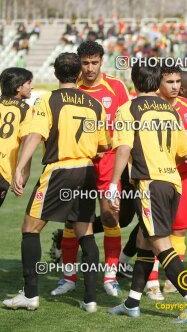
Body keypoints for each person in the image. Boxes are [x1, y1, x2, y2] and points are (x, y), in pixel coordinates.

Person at [2, 53, 110, 312]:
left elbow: (35, 134)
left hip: (60, 170)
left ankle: (30, 295)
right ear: (79, 74)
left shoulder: (48, 100)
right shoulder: (95, 104)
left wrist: (20, 169)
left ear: (55, 73)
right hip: (86, 171)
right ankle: (90, 299)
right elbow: (104, 145)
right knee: (86, 232)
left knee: (30, 227)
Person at [107, 63, 187, 323]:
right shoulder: (171, 110)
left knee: (161, 244)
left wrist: (113, 183)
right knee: (144, 241)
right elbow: (183, 151)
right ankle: (132, 303)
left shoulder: (128, 109)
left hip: (150, 183)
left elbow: (123, 148)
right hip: (173, 182)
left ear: (134, 82)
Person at [50, 40, 133, 297]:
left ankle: (110, 276)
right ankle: (68, 277)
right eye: (85, 63)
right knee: (72, 220)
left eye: (94, 62)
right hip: (80, 161)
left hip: (109, 161)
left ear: (102, 61)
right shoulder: (71, 88)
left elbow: (126, 125)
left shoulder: (116, 87)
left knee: (110, 217)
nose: (89, 68)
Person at [144, 66, 187, 300]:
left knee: (180, 227)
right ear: (159, 83)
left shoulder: (185, 106)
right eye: (170, 82)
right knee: (155, 230)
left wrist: (185, 148)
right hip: (156, 177)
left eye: (178, 82)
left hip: (182, 175)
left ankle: (172, 281)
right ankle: (152, 280)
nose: (176, 87)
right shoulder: (148, 106)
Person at [0, 67, 33, 208]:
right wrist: (25, 172)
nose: (32, 86)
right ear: (19, 87)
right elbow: (28, 141)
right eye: (29, 83)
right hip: (3, 169)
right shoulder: (25, 110)